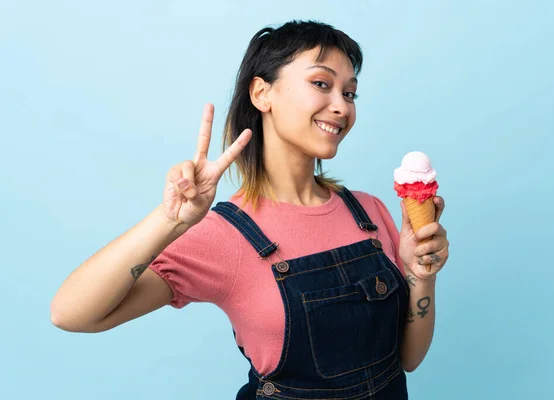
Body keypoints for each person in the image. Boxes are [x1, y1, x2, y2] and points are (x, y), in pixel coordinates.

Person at [51, 20, 450, 399]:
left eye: (349, 93)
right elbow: (71, 314)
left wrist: (421, 277)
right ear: (262, 94)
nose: (341, 107)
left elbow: (408, 360)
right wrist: (168, 221)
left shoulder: (369, 211)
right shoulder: (223, 234)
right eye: (320, 84)